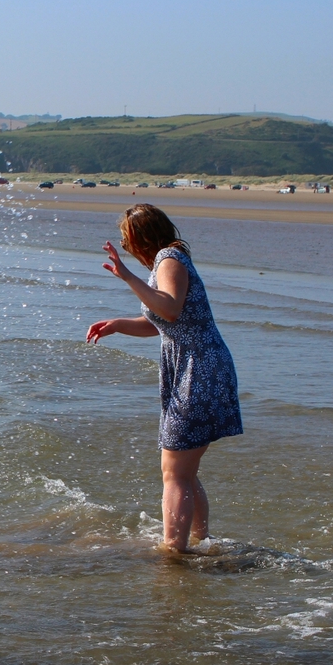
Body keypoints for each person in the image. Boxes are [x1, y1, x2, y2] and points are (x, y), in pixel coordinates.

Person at [85, 203, 242, 553]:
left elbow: (169, 307)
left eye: (128, 242)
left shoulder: (169, 259)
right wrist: (117, 325)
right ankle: (202, 542)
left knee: (175, 472)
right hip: (199, 366)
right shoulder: (168, 261)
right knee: (184, 469)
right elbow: (165, 323)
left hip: (198, 370)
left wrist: (127, 276)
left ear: (141, 239)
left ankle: (174, 551)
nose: (127, 249)